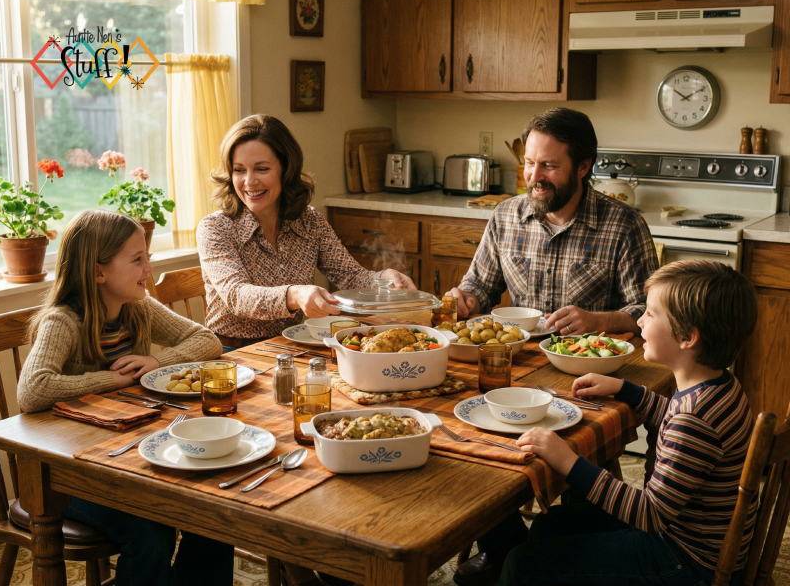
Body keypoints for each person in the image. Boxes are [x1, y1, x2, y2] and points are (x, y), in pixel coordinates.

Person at [456, 260, 759, 586]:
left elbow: (649, 514)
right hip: (693, 541)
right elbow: (669, 415)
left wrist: (567, 460)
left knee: (523, 564)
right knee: (549, 526)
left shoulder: (693, 420)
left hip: (683, 562)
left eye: (651, 314)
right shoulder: (719, 386)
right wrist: (624, 389)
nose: (640, 319)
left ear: (688, 337)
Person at [17, 209, 233, 586]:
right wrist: (108, 380)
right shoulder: (63, 320)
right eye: (137, 260)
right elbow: (33, 389)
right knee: (150, 536)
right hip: (68, 477)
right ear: (98, 271)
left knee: (215, 516)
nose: (148, 268)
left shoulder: (138, 307)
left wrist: (155, 360)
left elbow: (207, 340)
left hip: (128, 458)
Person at [197, 114, 414, 350]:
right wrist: (294, 294)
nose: (249, 181)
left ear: (286, 170)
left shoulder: (310, 222)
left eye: (261, 169)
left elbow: (350, 276)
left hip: (291, 345)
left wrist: (383, 279)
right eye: (239, 170)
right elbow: (237, 296)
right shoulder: (215, 228)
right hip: (231, 354)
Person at [446, 107, 659, 337]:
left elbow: (649, 311)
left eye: (549, 166)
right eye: (529, 163)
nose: (535, 177)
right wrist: (465, 299)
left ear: (583, 167)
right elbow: (479, 288)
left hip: (588, 362)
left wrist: (596, 321)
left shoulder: (625, 226)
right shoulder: (505, 216)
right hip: (520, 355)